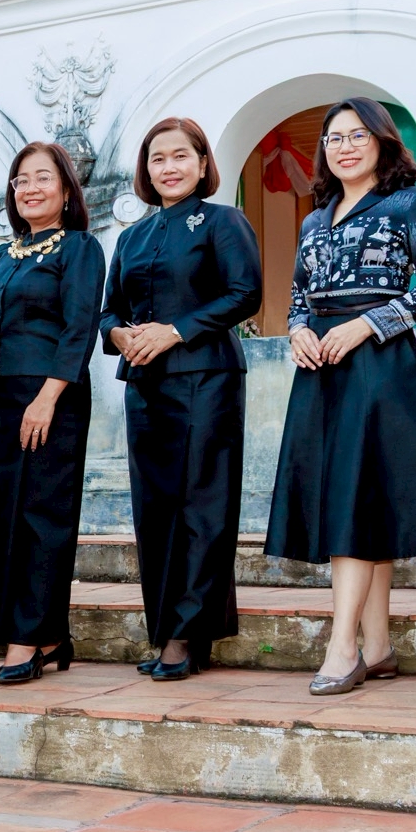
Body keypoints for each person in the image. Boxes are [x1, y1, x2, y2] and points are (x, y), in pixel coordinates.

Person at [268, 100, 416, 695]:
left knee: (357, 500)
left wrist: (366, 325)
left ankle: (342, 646)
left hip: (379, 366)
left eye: (358, 135)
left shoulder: (414, 203)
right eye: (333, 138)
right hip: (321, 367)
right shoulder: (313, 217)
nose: (345, 146)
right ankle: (377, 647)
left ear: (383, 141)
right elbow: (300, 295)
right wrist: (299, 331)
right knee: (356, 501)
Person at [102, 118, 263, 681]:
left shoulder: (223, 221)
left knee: (202, 507)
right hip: (144, 384)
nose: (167, 168)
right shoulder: (131, 237)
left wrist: (176, 330)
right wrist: (118, 335)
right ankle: (173, 629)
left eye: (179, 156)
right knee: (156, 511)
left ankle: (185, 636)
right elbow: (109, 311)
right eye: (156, 159)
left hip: (205, 377)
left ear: (201, 164)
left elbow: (246, 293)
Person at [0, 141, 105, 686]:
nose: (29, 188)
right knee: (4, 519)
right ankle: (46, 636)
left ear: (65, 189)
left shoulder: (79, 249)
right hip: (4, 399)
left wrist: (47, 397)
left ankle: (27, 638)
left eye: (42, 178)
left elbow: (80, 328)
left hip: (53, 395)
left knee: (42, 516)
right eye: (20, 180)